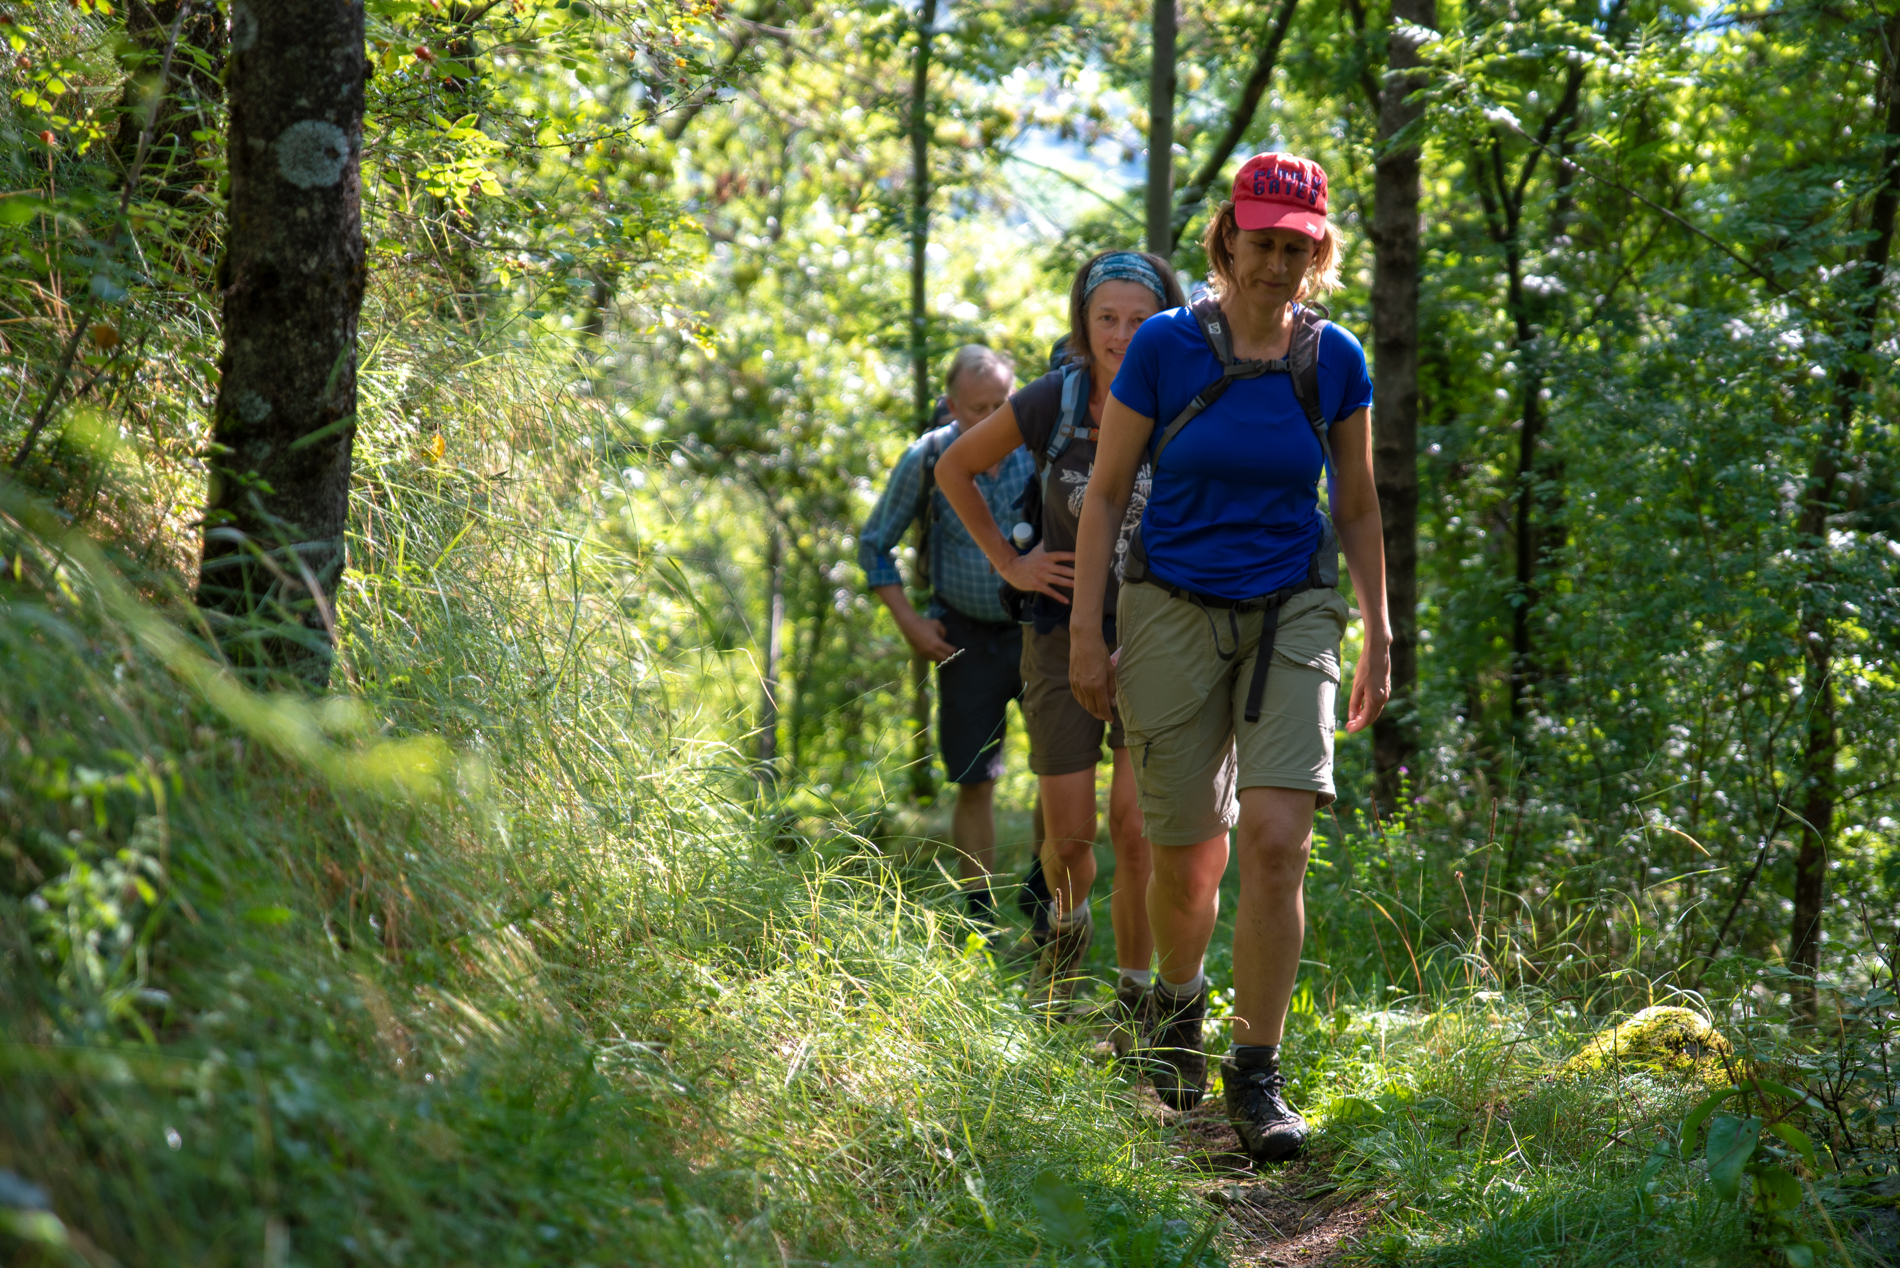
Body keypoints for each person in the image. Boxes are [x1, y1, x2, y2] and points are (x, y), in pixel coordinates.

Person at [1067, 153, 1390, 1163]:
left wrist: (1380, 627)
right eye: (1261, 243)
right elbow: (1105, 494)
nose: (1276, 263)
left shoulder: (1334, 359)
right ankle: (1178, 1007)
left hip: (1294, 608)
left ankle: (1257, 1074)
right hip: (1169, 606)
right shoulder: (1166, 346)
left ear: (1317, 253)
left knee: (1279, 839)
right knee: (1183, 855)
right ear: (1227, 240)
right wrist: (1086, 631)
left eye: (1296, 247)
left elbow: (1357, 503)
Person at [936, 251, 1186, 1046]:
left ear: (1168, 320)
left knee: (1134, 830)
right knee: (1069, 836)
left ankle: (1136, 1000)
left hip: (1158, 633)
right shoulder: (1055, 398)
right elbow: (954, 466)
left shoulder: (1188, 396)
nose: (1122, 334)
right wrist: (1012, 564)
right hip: (1055, 637)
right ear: (1083, 322)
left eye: (1140, 319)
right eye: (1106, 318)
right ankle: (1060, 977)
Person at [859, 345, 1032, 930]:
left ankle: (1048, 897)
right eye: (979, 408)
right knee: (974, 779)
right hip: (963, 636)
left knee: (1062, 771)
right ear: (952, 406)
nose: (993, 418)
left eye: (1002, 403)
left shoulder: (1038, 448)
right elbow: (874, 544)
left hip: (1040, 631)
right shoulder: (929, 457)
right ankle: (979, 917)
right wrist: (910, 623)